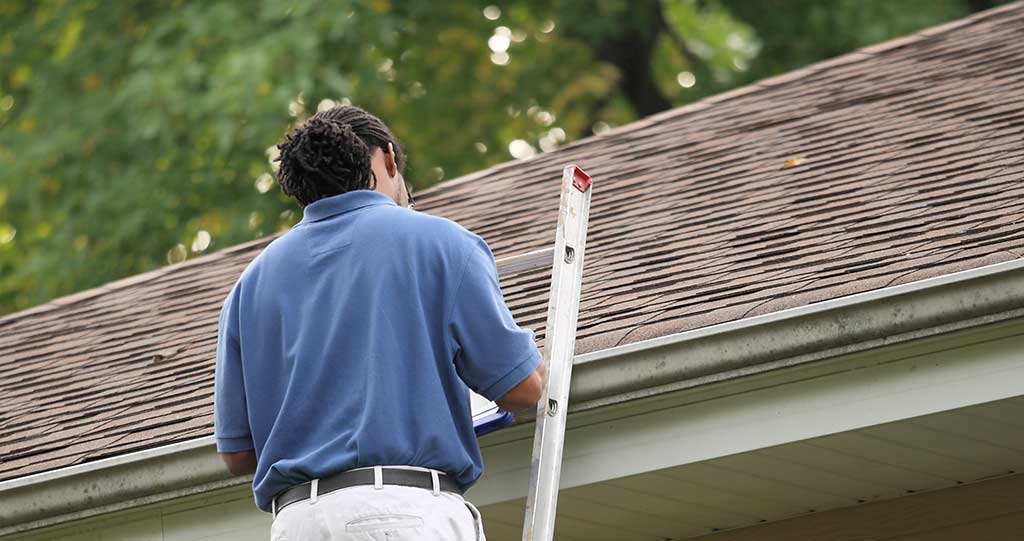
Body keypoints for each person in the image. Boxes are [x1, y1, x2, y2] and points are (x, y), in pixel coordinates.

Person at [214, 105, 544, 540]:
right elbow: (524, 390)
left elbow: (238, 456)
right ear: (388, 159)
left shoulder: (249, 285)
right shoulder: (441, 243)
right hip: (398, 514)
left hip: (294, 524)